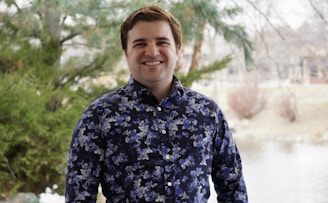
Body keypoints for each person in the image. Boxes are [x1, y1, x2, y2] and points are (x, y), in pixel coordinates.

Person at [65, 5, 248, 203]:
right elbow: (79, 197)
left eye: (162, 42)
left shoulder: (207, 113)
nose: (152, 51)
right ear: (126, 53)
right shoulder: (98, 117)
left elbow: (233, 189)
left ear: (178, 50)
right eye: (140, 43)